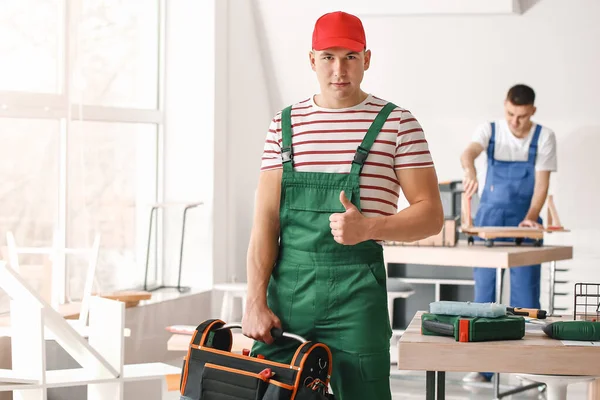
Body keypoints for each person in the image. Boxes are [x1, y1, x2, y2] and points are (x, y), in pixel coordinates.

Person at [241, 10, 444, 400]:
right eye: (328, 57)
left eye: (350, 57)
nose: (339, 69)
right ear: (311, 59)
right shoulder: (283, 125)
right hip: (288, 299)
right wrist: (254, 302)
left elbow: (431, 215)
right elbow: (265, 223)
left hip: (357, 296)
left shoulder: (398, 124)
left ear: (367, 59)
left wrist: (370, 228)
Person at [460, 84, 557, 383]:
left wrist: (530, 218)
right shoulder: (489, 130)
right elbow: (468, 153)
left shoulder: (544, 137)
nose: (516, 121)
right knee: (484, 297)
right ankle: (483, 367)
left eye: (523, 116)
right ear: (505, 106)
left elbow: (541, 186)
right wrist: (471, 170)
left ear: (533, 112)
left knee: (526, 296)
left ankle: (528, 369)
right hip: (489, 220)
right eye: (511, 114)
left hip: (525, 223)